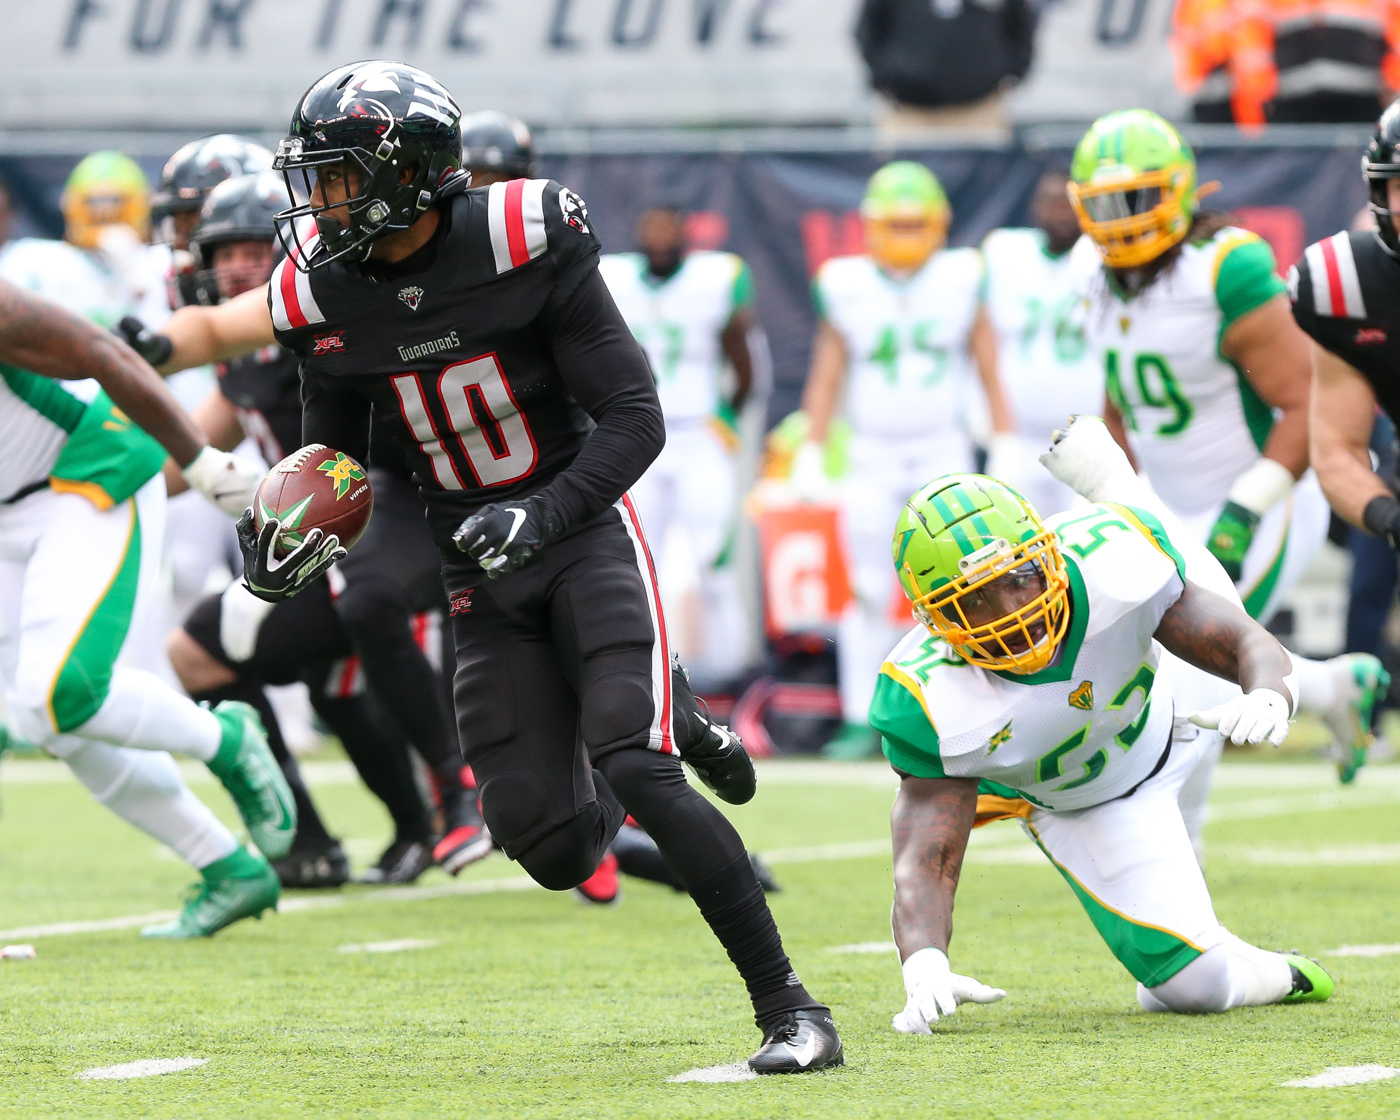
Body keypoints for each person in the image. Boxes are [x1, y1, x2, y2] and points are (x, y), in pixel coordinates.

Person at [132, 60, 842, 1072]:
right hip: (473, 557)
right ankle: (662, 702)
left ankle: (791, 1010)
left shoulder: (523, 238)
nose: (319, 202)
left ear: (408, 172)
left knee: (631, 762)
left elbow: (635, 418)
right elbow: (333, 454)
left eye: (337, 178)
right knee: (547, 847)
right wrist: (293, 534)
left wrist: (542, 509)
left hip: (581, 525)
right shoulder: (320, 289)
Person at [873, 417, 1334, 1030]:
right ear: (934, 620)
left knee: (1197, 582)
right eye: (975, 599)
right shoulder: (925, 697)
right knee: (1197, 986)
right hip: (1092, 800)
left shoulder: (1116, 568)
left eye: (1018, 576)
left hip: (1174, 697)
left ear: (1047, 553)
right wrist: (924, 959)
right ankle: (1281, 971)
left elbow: (1241, 639)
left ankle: (1123, 488)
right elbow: (926, 850)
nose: (1014, 611)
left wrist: (1271, 696)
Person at [124, 172, 489, 886]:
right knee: (212, 654)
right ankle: (305, 838)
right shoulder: (241, 355)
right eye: (214, 246)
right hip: (320, 539)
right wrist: (83, 485)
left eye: (249, 248)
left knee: (358, 620)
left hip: (392, 513)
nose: (229, 265)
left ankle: (455, 787)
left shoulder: (319, 311)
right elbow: (188, 452)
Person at [1068, 108, 1385, 795]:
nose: (1122, 220)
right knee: (1148, 655)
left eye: (1139, 199)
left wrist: (1246, 509)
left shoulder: (1224, 269)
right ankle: (1339, 687)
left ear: (1179, 191)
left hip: (1261, 495)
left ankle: (1181, 858)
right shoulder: (1091, 276)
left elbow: (1309, 403)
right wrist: (1111, 503)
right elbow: (1121, 399)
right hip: (1167, 504)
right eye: (1106, 205)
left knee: (1190, 669)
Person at [0, 272, 293, 938]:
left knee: (60, 691)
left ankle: (223, 738)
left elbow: (106, 354)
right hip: (9, 510)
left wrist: (199, 461)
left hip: (85, 469)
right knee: (46, 722)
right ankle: (228, 868)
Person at [797, 160, 1013, 758]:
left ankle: (956, 707)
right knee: (866, 587)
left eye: (916, 224)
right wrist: (813, 448)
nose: (906, 236)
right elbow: (827, 371)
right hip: (870, 452)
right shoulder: (847, 283)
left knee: (959, 582)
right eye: (896, 224)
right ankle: (860, 715)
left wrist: (1005, 438)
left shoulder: (961, 277)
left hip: (942, 448)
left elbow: (988, 362)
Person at [599, 200, 759, 682]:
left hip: (697, 433)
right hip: (636, 433)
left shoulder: (715, 281)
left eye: (669, 228)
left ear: (686, 233)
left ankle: (733, 673)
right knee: (633, 558)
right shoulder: (613, 277)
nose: (660, 237)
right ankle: (643, 673)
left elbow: (742, 360)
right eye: (652, 227)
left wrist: (726, 415)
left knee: (714, 559)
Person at [1292, 98, 1400, 776]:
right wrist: (1390, 513)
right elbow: (1334, 447)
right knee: (1371, 579)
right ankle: (1364, 717)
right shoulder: (1347, 285)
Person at [981, 168, 1104, 516]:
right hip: (1018, 441)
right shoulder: (1004, 253)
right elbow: (981, 333)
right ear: (1034, 207)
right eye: (1050, 202)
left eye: (1067, 204)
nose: (1058, 212)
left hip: (1089, 442)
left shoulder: (1103, 259)